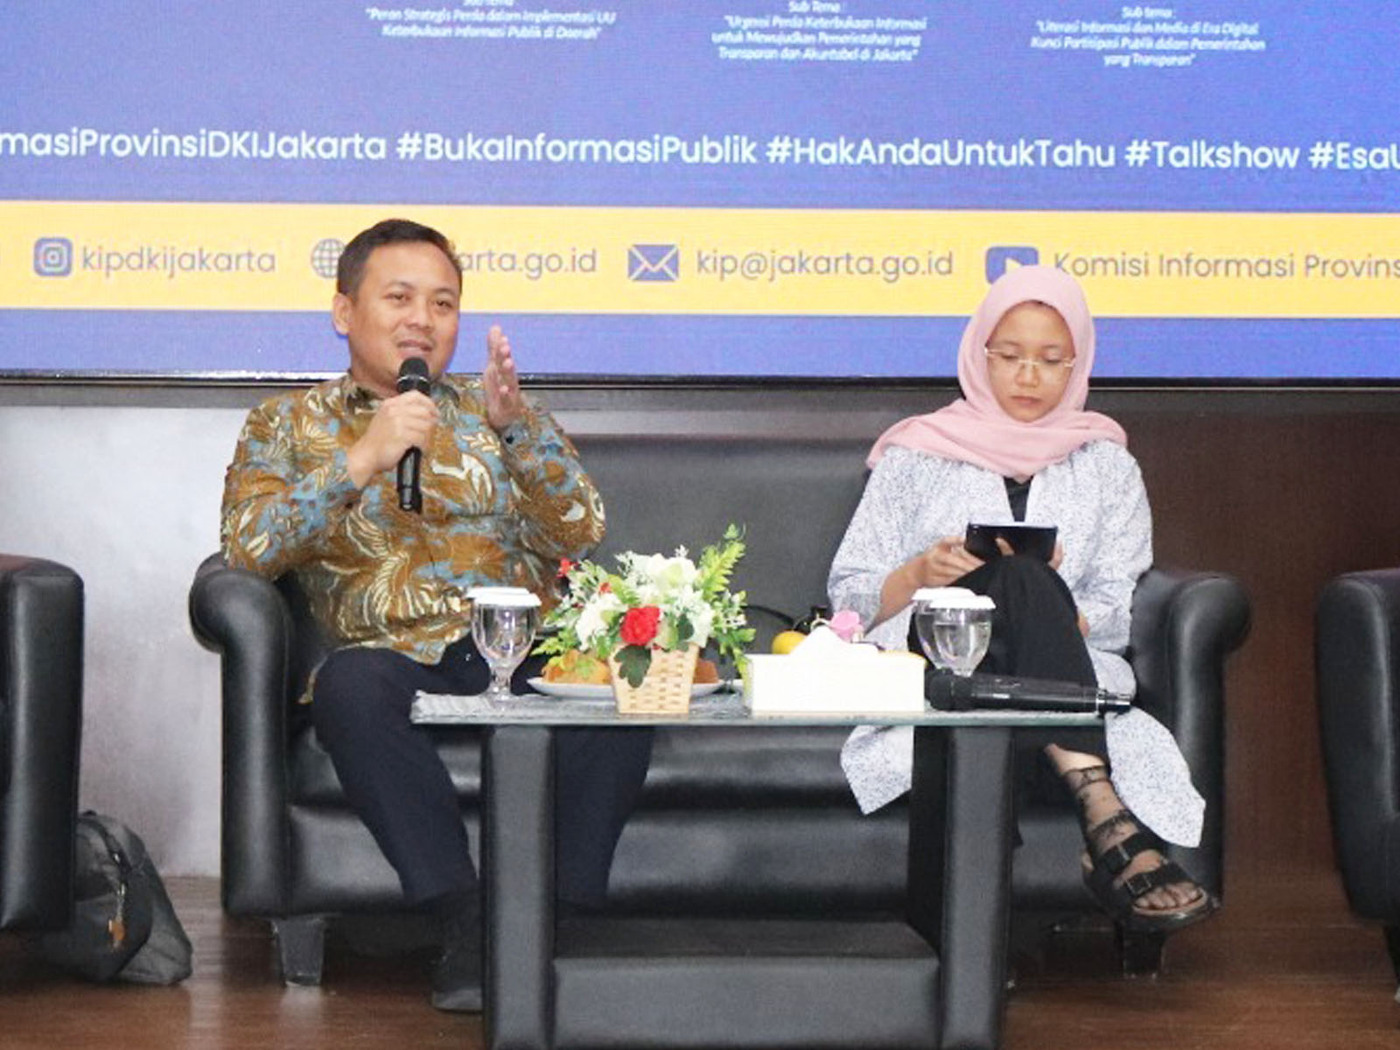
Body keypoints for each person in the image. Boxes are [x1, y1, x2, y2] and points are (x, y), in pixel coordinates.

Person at [220, 218, 652, 1011]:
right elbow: (249, 549)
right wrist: (362, 458)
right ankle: (464, 919)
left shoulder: (500, 411)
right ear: (344, 311)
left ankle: (555, 923)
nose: (423, 319)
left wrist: (519, 433)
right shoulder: (284, 424)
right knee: (349, 686)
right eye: (400, 298)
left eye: (443, 303)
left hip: (518, 643)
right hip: (389, 655)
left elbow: (581, 531)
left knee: (620, 681)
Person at [828, 264, 1216, 933]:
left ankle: (972, 930)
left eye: (1050, 359)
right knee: (1016, 578)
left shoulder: (1107, 466)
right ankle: (1102, 810)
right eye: (1009, 356)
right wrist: (920, 572)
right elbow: (848, 602)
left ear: (1077, 364)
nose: (1028, 376)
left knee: (1024, 582)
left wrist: (1051, 605)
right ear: (979, 356)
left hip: (1055, 662)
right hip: (933, 658)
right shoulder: (915, 455)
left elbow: (1117, 605)